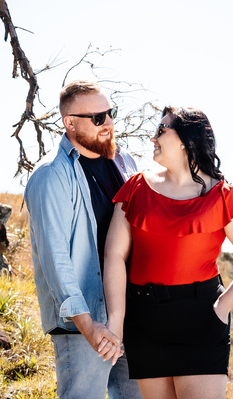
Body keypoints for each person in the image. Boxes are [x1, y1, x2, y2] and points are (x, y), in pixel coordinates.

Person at [103, 106, 233, 399]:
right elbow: (114, 256)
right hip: (145, 322)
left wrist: (221, 308)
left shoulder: (223, 195)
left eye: (161, 131)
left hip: (201, 320)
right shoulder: (136, 188)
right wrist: (116, 319)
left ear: (184, 139)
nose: (152, 138)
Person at [24, 80, 144, 399]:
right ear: (70, 122)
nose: (108, 123)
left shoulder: (126, 164)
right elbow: (55, 260)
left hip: (128, 317)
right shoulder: (51, 176)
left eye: (111, 113)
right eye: (98, 117)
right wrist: (88, 325)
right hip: (83, 326)